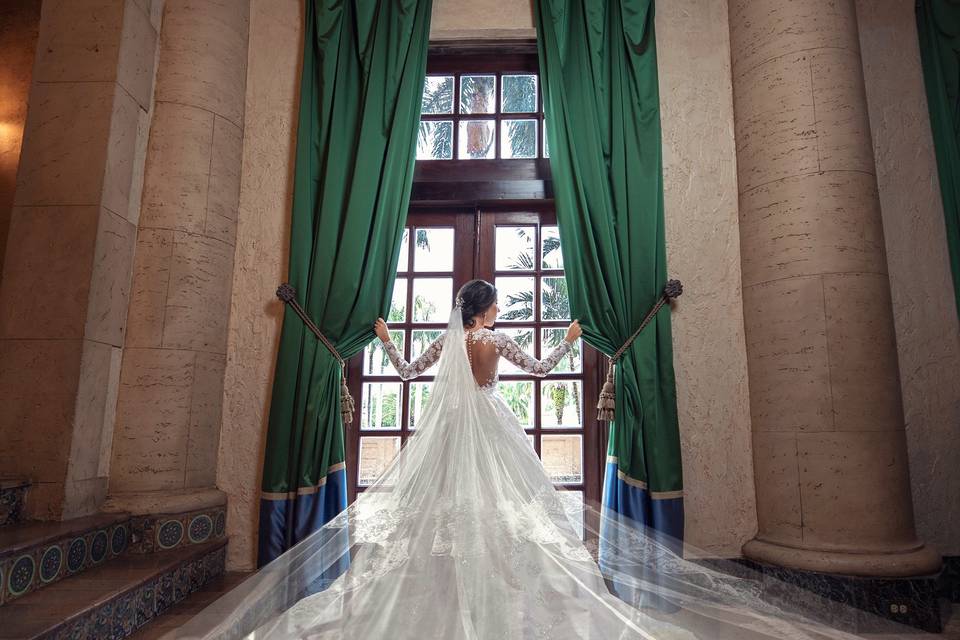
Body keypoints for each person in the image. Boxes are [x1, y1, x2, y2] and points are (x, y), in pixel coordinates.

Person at [172, 281, 884, 639]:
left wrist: (385, 335)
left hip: (452, 437)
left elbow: (408, 372)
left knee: (442, 521)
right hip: (493, 432)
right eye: (496, 306)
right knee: (514, 519)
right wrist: (574, 339)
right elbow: (543, 371)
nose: (496, 314)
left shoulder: (450, 345)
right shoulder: (498, 345)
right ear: (486, 312)